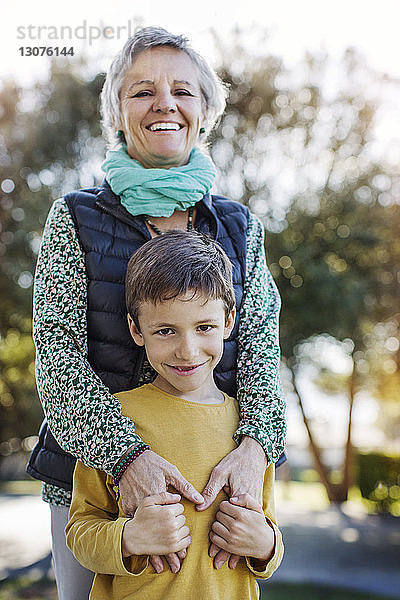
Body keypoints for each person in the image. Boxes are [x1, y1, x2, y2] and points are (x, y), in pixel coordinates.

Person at [27, 26, 286, 600]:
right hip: (96, 485)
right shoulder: (74, 217)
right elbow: (58, 360)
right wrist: (127, 458)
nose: (164, 104)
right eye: (142, 91)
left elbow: (262, 357)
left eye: (183, 91)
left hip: (211, 486)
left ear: (205, 110)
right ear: (117, 112)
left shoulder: (239, 227)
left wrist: (255, 452)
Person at [66, 230, 284, 600]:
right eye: (166, 330)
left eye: (204, 328)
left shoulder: (250, 434)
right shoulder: (113, 419)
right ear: (137, 329)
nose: (187, 350)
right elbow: (80, 531)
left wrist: (264, 544)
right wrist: (130, 537)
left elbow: (270, 532)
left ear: (229, 321)